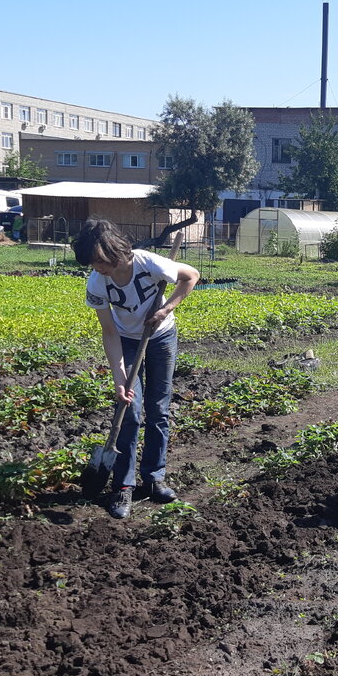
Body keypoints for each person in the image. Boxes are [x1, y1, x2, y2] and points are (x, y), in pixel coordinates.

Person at [72, 219, 200, 518]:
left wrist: (166, 308)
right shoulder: (96, 282)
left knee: (159, 409)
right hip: (127, 342)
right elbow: (109, 332)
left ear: (113, 252)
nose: (97, 268)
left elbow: (191, 275)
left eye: (99, 261)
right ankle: (123, 486)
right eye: (91, 263)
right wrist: (120, 378)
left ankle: (154, 478)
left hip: (161, 337)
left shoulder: (148, 263)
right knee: (129, 411)